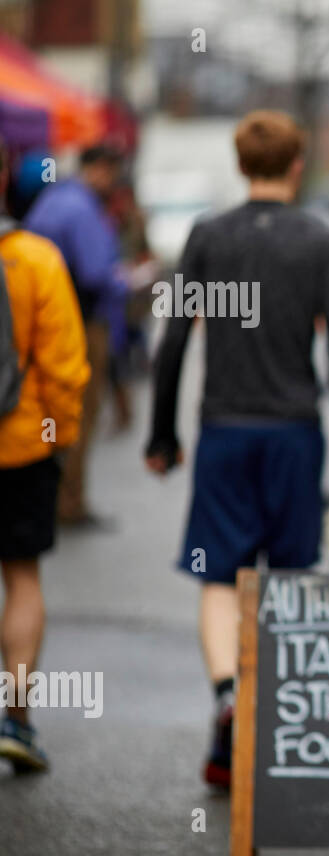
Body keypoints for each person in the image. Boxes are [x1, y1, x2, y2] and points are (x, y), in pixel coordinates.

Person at [144, 110, 329, 788]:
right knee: (290, 576)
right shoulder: (319, 240)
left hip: (224, 430)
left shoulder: (208, 236)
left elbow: (175, 342)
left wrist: (163, 434)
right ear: (297, 165)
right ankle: (278, 725)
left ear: (241, 164)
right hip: (294, 433)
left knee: (221, 577)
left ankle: (226, 698)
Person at [0, 143, 91, 771]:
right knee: (22, 579)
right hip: (21, 445)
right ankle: (16, 717)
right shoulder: (35, 259)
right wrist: (61, 437)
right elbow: (64, 369)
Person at [24, 143, 129, 528]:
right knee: (79, 412)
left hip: (40, 321)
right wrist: (126, 280)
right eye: (113, 174)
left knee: (45, 409)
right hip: (80, 322)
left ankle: (48, 496)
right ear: (100, 168)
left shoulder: (52, 200)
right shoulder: (82, 208)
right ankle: (69, 503)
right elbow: (97, 273)